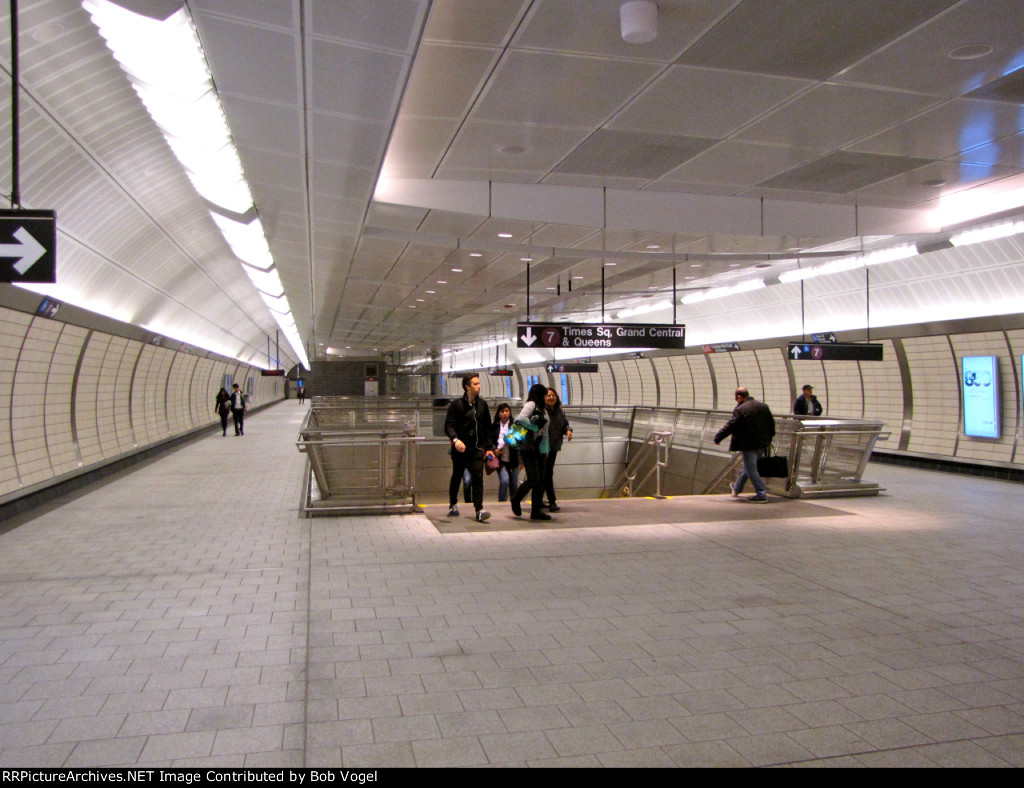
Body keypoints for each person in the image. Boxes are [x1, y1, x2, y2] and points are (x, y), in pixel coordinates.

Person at [444, 373, 495, 522]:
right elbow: (449, 425)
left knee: (477, 477)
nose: (479, 386)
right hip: (460, 448)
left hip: (477, 448)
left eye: (479, 384)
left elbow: (487, 427)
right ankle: (453, 503)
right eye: (475, 384)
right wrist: (455, 439)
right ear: (467, 387)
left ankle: (479, 510)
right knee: (457, 476)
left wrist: (489, 447)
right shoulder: (457, 405)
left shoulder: (483, 405)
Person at [714, 387, 775, 502]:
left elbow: (731, 425)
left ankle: (761, 493)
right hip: (762, 444)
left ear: (739, 397)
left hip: (748, 445)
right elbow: (771, 424)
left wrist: (718, 437)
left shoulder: (741, 409)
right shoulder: (763, 406)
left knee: (751, 468)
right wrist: (769, 439)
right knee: (748, 466)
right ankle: (737, 488)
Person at [510, 383, 551, 521]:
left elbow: (545, 431)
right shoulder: (531, 404)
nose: (546, 398)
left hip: (540, 449)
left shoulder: (543, 409)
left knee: (539, 481)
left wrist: (546, 450)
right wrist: (533, 427)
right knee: (533, 478)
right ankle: (516, 498)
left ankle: (536, 511)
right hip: (529, 448)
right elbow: (520, 419)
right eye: (545, 395)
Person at [542, 388, 572, 512]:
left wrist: (568, 431)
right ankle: (552, 502)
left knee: (545, 474)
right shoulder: (542, 411)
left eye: (553, 395)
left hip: (553, 447)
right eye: (548, 396)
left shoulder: (560, 412)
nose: (551, 398)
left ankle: (538, 500)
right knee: (547, 474)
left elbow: (565, 424)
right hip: (543, 448)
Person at [492, 403, 520, 503]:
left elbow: (520, 443)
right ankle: (501, 502)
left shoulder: (515, 425)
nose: (504, 413)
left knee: (514, 484)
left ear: (510, 412)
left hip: (514, 458)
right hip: (500, 459)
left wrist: (521, 462)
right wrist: (494, 449)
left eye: (506, 411)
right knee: (504, 480)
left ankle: (515, 503)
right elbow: (490, 441)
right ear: (499, 414)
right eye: (502, 411)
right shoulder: (494, 426)